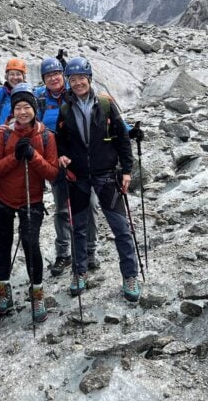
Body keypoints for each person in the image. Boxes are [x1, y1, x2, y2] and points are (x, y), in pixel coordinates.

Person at [55, 57, 142, 303]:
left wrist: (127, 170)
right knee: (79, 228)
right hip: (79, 177)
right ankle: (79, 272)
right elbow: (61, 139)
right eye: (73, 79)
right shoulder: (65, 109)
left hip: (106, 176)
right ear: (68, 82)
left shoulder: (105, 104)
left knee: (121, 228)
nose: (78, 82)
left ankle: (130, 276)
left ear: (89, 79)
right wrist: (62, 155)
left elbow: (122, 138)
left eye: (82, 78)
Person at [0, 84, 59, 322]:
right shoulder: (3, 133)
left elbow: (52, 172)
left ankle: (37, 292)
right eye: (18, 107)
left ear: (35, 109)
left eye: (27, 106)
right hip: (3, 199)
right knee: (4, 244)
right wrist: (15, 157)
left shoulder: (46, 136)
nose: (22, 111)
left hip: (32, 199)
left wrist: (33, 156)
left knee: (30, 243)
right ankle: (4, 293)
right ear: (12, 110)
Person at [34, 54, 101, 277]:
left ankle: (90, 251)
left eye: (56, 73)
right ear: (43, 79)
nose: (53, 78)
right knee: (62, 209)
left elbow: (100, 114)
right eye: (48, 75)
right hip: (56, 163)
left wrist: (129, 130)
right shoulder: (40, 100)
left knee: (89, 205)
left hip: (81, 162)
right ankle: (63, 253)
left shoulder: (76, 94)